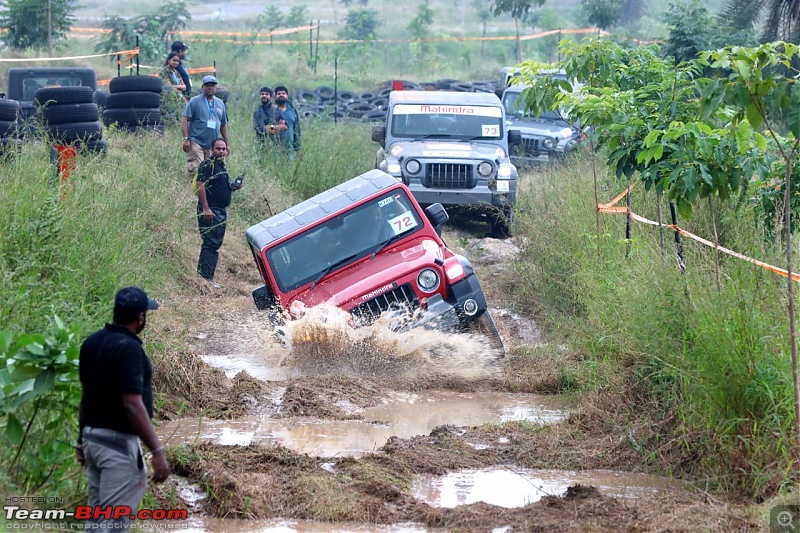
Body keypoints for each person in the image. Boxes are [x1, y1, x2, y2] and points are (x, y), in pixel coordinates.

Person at [77, 286, 169, 530]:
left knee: (97, 520)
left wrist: (81, 438)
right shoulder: (129, 349)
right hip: (116, 447)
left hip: (92, 440)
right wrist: (157, 451)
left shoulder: (92, 342)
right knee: (113, 524)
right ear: (140, 318)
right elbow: (132, 404)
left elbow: (87, 395)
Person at [195, 138, 243, 288]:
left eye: (223, 149)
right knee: (210, 243)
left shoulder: (220, 165)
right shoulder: (207, 164)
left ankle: (207, 278)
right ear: (212, 149)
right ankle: (205, 279)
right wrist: (206, 208)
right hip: (211, 210)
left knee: (214, 243)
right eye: (218, 148)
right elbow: (200, 185)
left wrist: (232, 186)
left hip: (220, 210)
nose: (221, 151)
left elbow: (218, 186)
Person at [181, 75, 230, 180]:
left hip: (212, 145)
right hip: (196, 141)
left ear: (216, 87)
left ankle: (206, 194)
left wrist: (227, 144)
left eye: (212, 85)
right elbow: (185, 119)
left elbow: (223, 125)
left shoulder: (220, 103)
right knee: (196, 170)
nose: (210, 87)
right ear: (203, 87)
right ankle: (194, 192)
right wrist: (186, 139)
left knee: (210, 171)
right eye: (207, 85)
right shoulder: (194, 101)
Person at [272, 85, 301, 161]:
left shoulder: (292, 111)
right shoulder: (271, 110)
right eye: (278, 94)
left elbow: (297, 130)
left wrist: (297, 148)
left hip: (289, 149)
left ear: (287, 96)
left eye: (283, 93)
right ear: (275, 96)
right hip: (274, 148)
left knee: (289, 171)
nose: (281, 95)